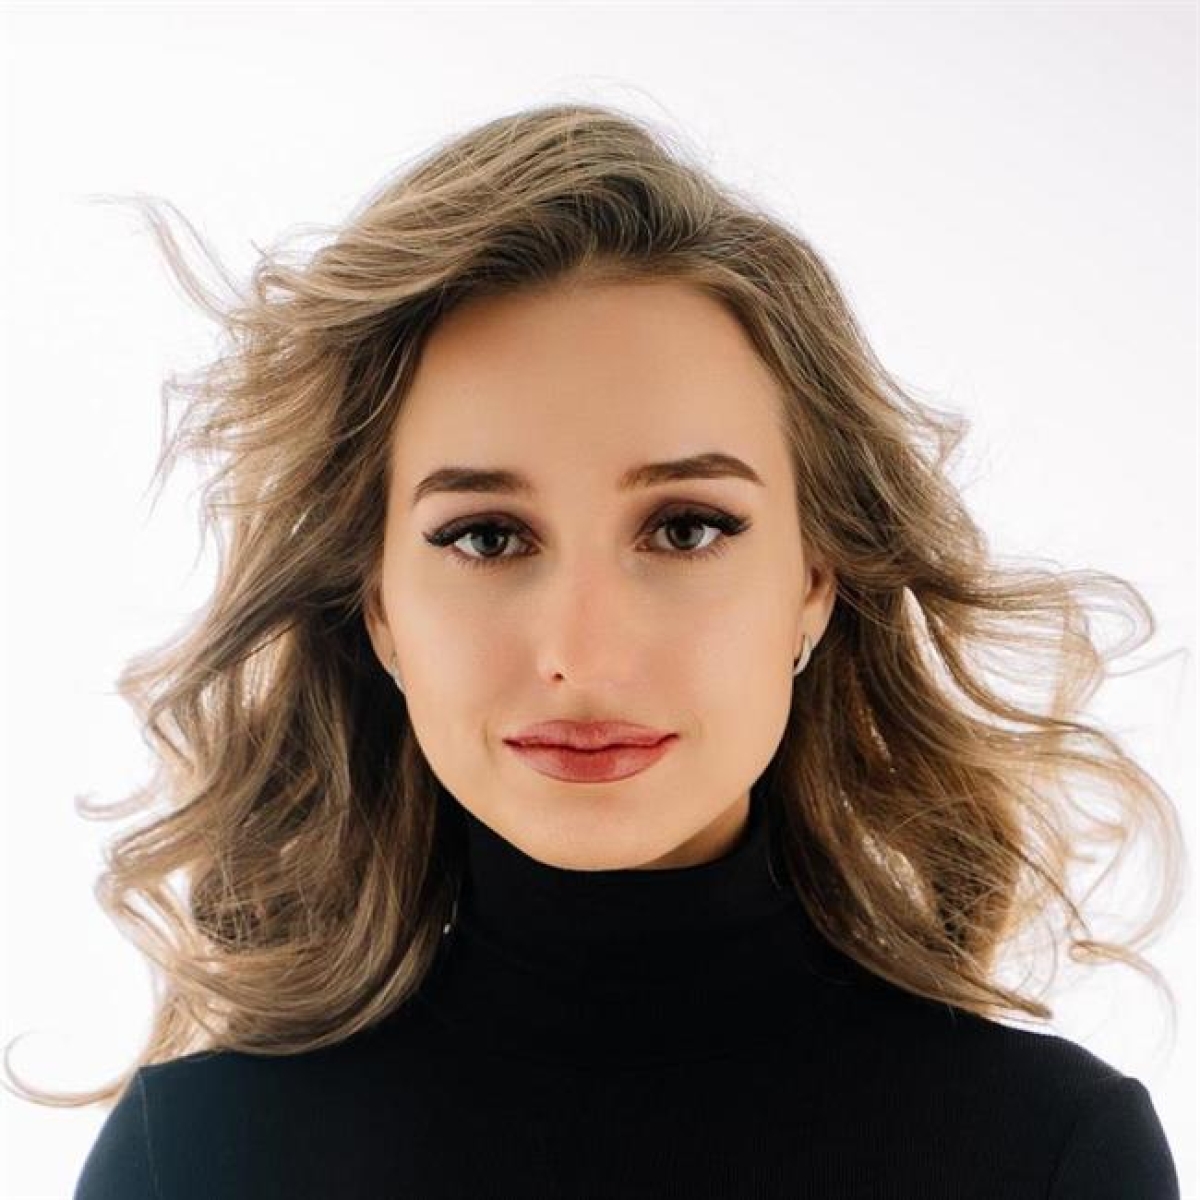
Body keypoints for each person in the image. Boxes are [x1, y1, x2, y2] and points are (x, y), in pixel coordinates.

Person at [19, 102, 1186, 1198]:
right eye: (486, 536)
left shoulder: (1047, 1154)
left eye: (685, 529)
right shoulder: (195, 1159)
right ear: (378, 607)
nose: (584, 655)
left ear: (815, 584)